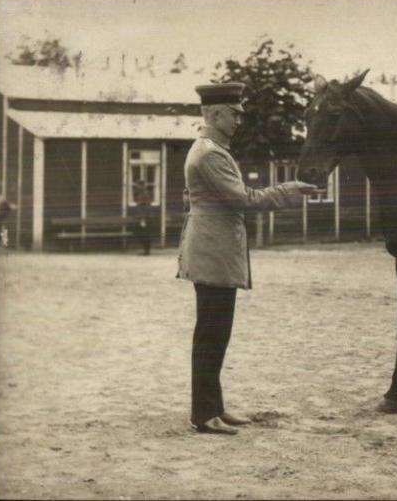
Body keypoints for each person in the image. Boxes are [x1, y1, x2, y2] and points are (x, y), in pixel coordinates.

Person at [176, 82, 317, 435]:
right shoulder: (210, 154)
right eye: (235, 113)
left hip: (214, 251)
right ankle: (204, 415)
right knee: (210, 335)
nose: (239, 120)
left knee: (215, 334)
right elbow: (244, 200)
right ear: (215, 114)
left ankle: (214, 408)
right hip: (212, 253)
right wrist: (289, 190)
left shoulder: (211, 149)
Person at [134, 180, 153, 255]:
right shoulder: (142, 194)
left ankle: (147, 250)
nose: (137, 187)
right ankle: (146, 250)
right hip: (145, 216)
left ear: (141, 186)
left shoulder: (144, 194)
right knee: (144, 233)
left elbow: (145, 207)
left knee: (144, 233)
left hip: (145, 217)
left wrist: (143, 219)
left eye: (138, 186)